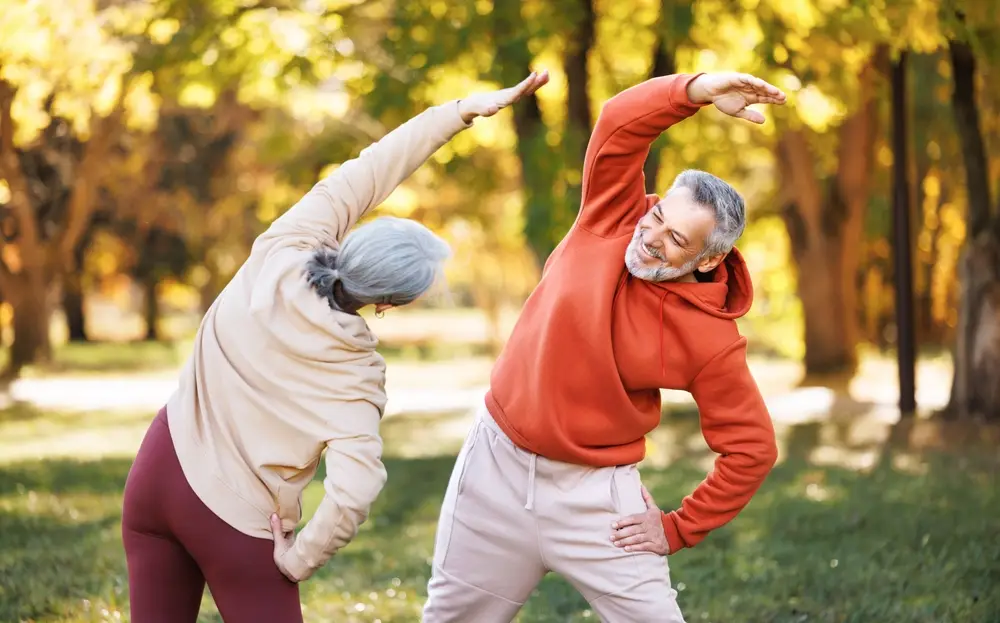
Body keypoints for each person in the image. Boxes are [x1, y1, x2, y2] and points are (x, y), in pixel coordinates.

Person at [120, 70, 550, 622]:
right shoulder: (356, 377)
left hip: (157, 472)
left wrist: (462, 110)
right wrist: (298, 560)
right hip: (234, 519)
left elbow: (373, 168)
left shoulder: (285, 245)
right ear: (390, 304)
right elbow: (354, 490)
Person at [422, 71, 786, 622]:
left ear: (708, 260)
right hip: (494, 466)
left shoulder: (712, 339)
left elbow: (752, 448)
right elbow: (619, 123)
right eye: (658, 216)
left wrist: (677, 528)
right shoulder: (610, 215)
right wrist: (697, 89)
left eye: (676, 240)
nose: (652, 237)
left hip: (595, 499)